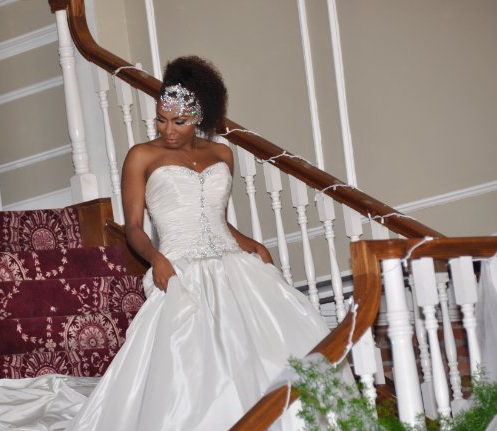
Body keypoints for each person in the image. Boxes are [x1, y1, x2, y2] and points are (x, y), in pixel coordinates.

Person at [66, 56, 330, 430]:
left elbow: (215, 218)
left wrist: (250, 243)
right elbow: (135, 228)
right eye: (161, 119)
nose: (168, 130)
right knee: (192, 367)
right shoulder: (142, 156)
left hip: (234, 264)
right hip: (179, 268)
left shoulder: (222, 154)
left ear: (200, 117)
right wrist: (156, 258)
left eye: (179, 121)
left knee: (270, 350)